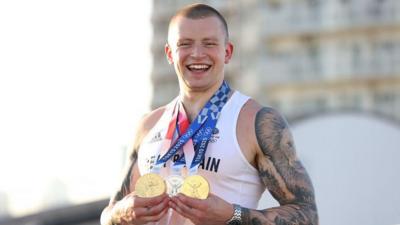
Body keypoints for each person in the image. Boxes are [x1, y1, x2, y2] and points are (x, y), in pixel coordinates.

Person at [100, 3, 318, 225]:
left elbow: (308, 215)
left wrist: (231, 215)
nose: (197, 54)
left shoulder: (256, 121)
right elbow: (108, 214)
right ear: (169, 53)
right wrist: (121, 213)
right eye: (185, 44)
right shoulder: (148, 125)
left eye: (209, 44)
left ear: (227, 52)